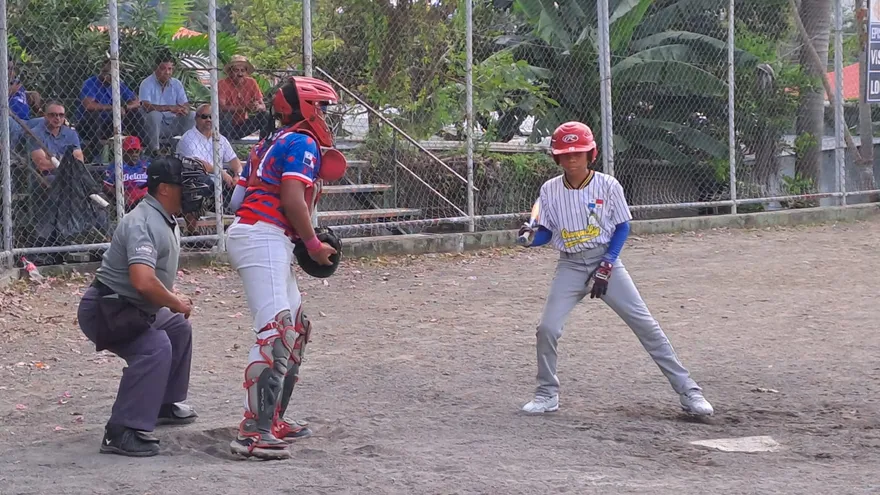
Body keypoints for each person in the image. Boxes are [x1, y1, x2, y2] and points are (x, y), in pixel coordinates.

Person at [517, 121, 714, 417]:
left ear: (590, 154)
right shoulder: (549, 190)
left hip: (605, 259)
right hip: (570, 264)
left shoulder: (608, 185)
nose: (572, 159)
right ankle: (547, 394)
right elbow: (546, 231)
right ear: (556, 157)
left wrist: (608, 263)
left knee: (645, 325)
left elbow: (622, 226)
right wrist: (531, 240)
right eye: (565, 154)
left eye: (578, 153)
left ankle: (690, 393)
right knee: (547, 328)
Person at [224, 76, 347, 460]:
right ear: (307, 108)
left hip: (260, 233)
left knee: (297, 327)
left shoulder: (267, 143)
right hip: (263, 236)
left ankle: (271, 419)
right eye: (323, 108)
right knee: (275, 331)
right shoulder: (302, 141)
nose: (326, 116)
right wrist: (310, 242)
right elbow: (293, 197)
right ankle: (252, 433)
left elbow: (237, 199)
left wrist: (292, 234)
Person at [76, 155, 213, 457]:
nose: (193, 190)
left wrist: (171, 297)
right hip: (107, 308)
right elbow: (141, 280)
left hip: (129, 305)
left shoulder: (163, 216)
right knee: (154, 347)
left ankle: (163, 402)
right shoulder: (142, 221)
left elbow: (151, 277)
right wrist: (174, 300)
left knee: (177, 327)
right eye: (184, 184)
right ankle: (121, 431)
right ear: (164, 189)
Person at [218, 55, 271, 140]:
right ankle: (226, 146)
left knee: (266, 115)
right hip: (225, 126)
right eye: (236, 70)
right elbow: (222, 107)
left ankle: (264, 146)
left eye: (242, 71)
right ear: (230, 72)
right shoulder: (222, 83)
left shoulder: (251, 82)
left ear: (246, 72)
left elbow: (263, 106)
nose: (240, 74)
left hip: (243, 125)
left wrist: (257, 106)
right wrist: (244, 108)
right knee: (226, 115)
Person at [102, 136, 150, 212]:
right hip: (129, 202)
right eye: (130, 151)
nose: (134, 154)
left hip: (148, 199)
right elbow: (106, 186)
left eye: (137, 151)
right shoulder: (116, 166)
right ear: (123, 152)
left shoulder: (146, 165)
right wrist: (120, 195)